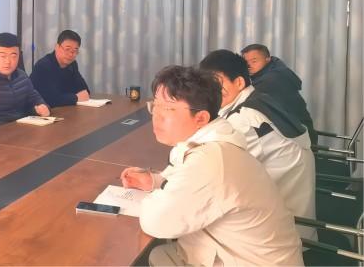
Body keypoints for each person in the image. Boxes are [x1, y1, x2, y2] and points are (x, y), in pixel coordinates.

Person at [121, 65, 303, 266]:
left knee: (144, 254)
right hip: (240, 253)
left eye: (168, 108)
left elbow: (156, 222)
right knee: (160, 255)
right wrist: (156, 181)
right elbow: (189, 180)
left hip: (248, 262)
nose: (157, 115)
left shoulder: (210, 160)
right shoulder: (215, 142)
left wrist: (153, 196)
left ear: (201, 118)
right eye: (155, 105)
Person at [200, 49, 316, 236]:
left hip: (278, 233)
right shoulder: (259, 98)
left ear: (239, 82)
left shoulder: (244, 119)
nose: (209, 92)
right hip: (297, 217)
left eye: (216, 83)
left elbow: (217, 175)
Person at [241, 43, 316, 144]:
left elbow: (244, 102)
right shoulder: (274, 70)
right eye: (246, 62)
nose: (249, 66)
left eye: (254, 61)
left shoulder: (272, 79)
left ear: (267, 59)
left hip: (298, 138)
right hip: (299, 132)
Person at [30, 30, 90, 107]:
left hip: (63, 109)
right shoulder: (44, 66)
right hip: (39, 110)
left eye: (75, 51)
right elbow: (51, 99)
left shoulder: (72, 64)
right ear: (57, 47)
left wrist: (70, 97)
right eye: (67, 49)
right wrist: (76, 97)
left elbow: (84, 91)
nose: (71, 54)